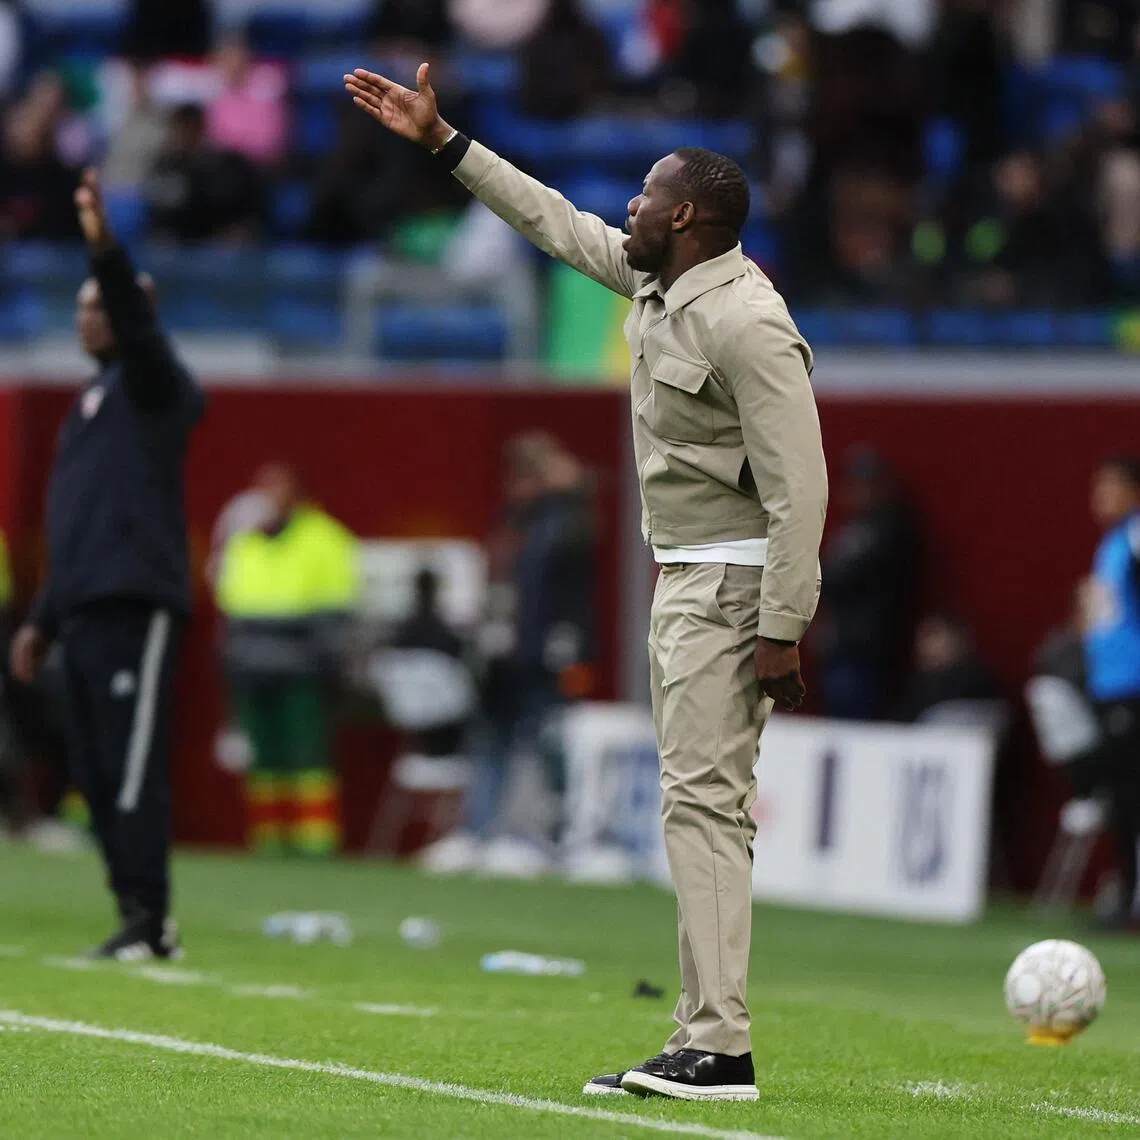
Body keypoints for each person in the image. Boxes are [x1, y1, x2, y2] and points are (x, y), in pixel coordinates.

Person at [344, 62, 827, 1100]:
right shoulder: (659, 281)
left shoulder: (749, 324)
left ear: (687, 215)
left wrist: (781, 627)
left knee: (704, 809)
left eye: (646, 194)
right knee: (697, 809)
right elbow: (554, 222)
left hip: (731, 584)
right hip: (688, 579)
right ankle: (705, 1033)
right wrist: (446, 143)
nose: (629, 205)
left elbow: (803, 491)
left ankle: (719, 1046)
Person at [9, 168, 205, 959]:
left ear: (132, 315)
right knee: (93, 768)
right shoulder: (88, 409)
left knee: (128, 768)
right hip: (85, 605)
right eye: (84, 308)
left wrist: (104, 251)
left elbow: (130, 314)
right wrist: (42, 619)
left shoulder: (159, 389)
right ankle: (132, 912)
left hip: (137, 603)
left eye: (100, 307)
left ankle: (151, 918)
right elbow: (74, 528)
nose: (87, 319)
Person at [421, 432, 596, 876]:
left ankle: (550, 840)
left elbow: (566, 587)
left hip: (542, 654)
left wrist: (566, 648)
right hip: (504, 654)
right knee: (493, 742)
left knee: (546, 744)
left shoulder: (565, 522)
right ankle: (480, 832)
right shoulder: (516, 523)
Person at [214, 464, 359, 857]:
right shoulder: (246, 544)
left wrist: (330, 665)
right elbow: (231, 611)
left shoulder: (323, 538)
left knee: (308, 760)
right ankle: (269, 842)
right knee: (264, 762)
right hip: (252, 669)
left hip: (302, 669)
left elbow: (335, 610)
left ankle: (315, 845)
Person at [815, 447, 920, 720]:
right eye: (853, 484)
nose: (857, 492)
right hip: (840, 647)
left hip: (866, 649)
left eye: (866, 484)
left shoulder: (890, 530)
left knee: (857, 720)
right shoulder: (853, 529)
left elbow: (838, 577)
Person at [1082, 456, 1140, 929]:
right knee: (1121, 795)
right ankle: (1126, 891)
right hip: (1112, 686)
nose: (1099, 497)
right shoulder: (1115, 542)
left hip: (1132, 687)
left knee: (1131, 796)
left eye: (1110, 486)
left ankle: (1132, 897)